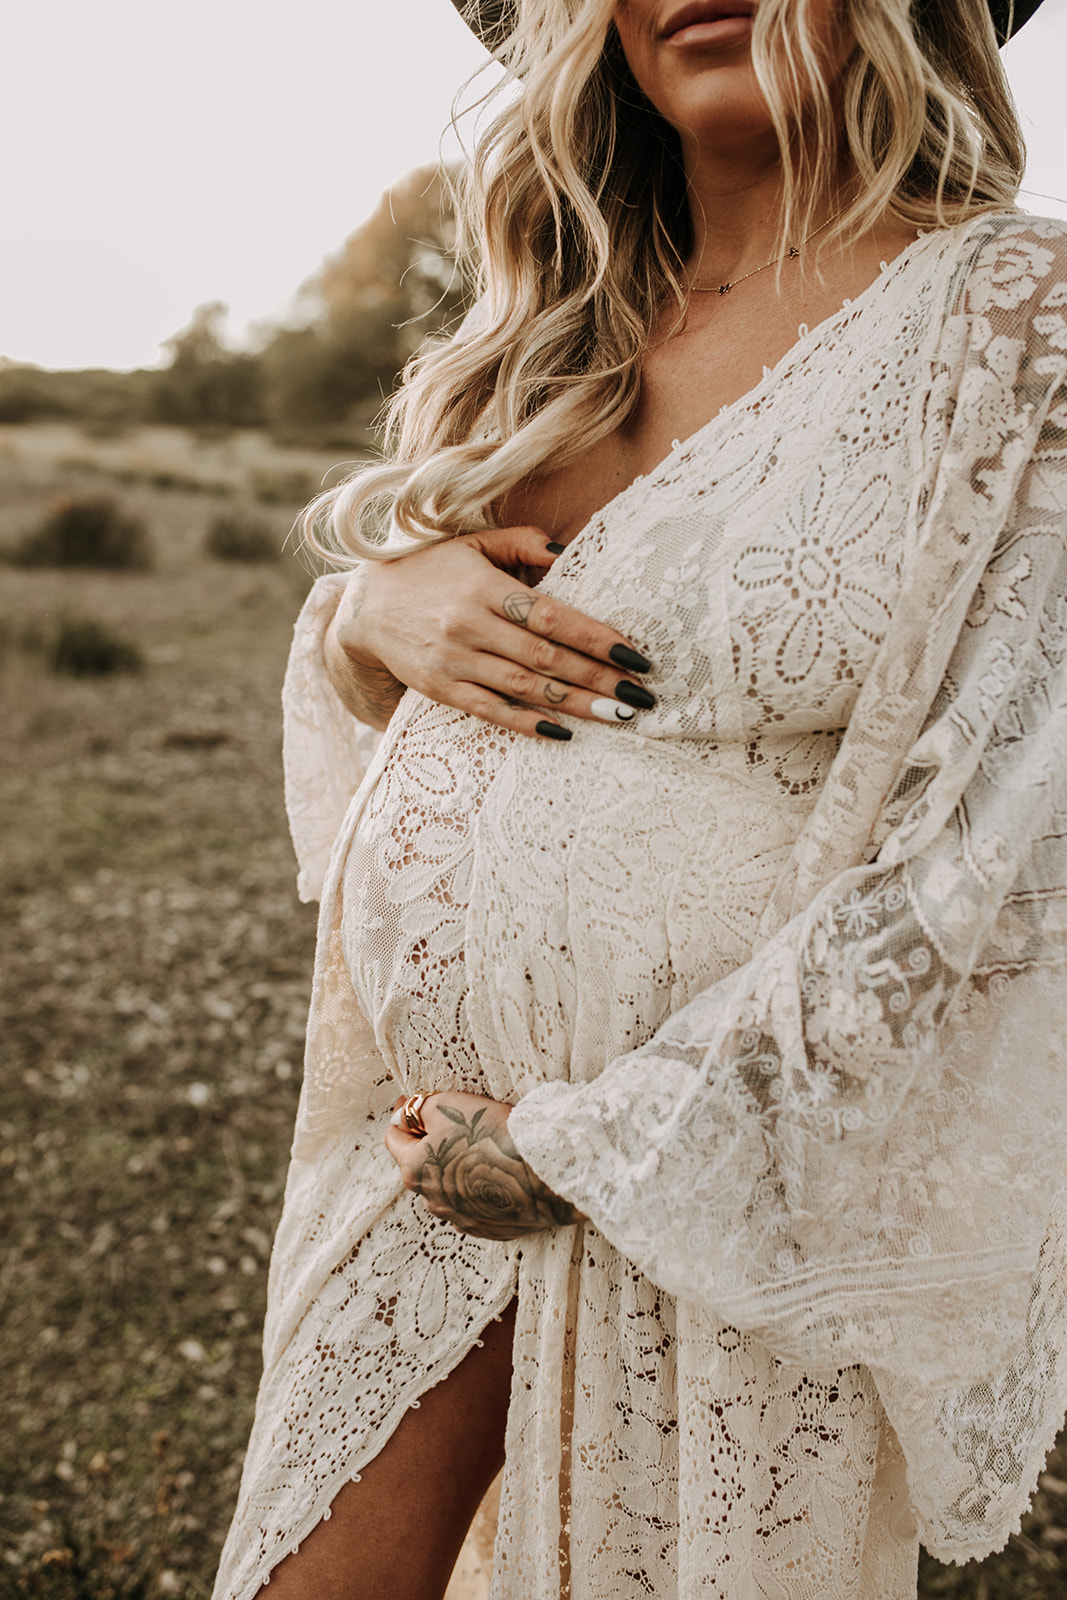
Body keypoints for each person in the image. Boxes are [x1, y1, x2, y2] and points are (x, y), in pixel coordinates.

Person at [213, 0, 1067, 1595]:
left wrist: (596, 1146)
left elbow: (1006, 848)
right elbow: (422, 697)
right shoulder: (556, 328)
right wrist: (363, 613)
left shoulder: (1020, 316)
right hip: (408, 1155)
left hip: (716, 1189)